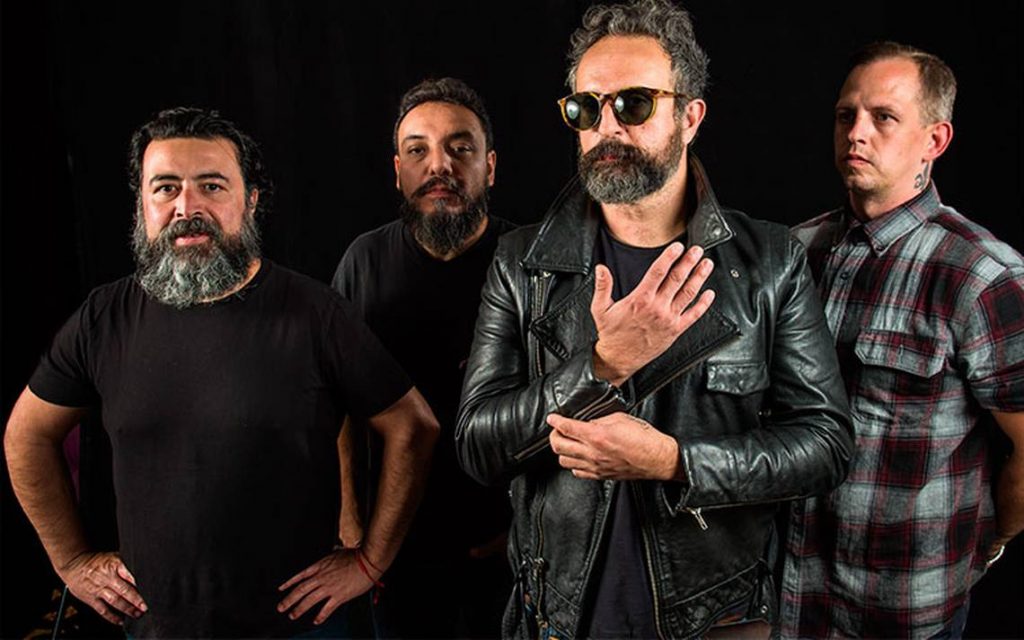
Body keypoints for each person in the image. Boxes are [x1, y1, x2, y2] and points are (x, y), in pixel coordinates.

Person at [454, 0, 855, 638]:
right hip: (558, 619)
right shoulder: (522, 264)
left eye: (634, 104)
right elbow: (478, 446)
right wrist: (602, 365)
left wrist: (675, 461)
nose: (606, 126)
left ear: (689, 117)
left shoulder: (769, 262)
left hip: (718, 618)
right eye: (585, 108)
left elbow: (826, 446)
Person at [3, 107, 439, 638]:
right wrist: (71, 561)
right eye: (166, 188)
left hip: (299, 628)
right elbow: (25, 436)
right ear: (142, 205)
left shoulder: (315, 314)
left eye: (211, 186)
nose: (187, 207)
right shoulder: (103, 318)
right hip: (155, 629)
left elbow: (413, 426)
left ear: (250, 200)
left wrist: (369, 562)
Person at [783, 42, 1024, 639]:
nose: (856, 133)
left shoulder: (983, 275)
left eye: (883, 117)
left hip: (901, 610)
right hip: (788, 600)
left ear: (934, 140)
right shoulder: (792, 253)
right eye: (846, 115)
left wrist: (989, 537)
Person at [332, 78, 514, 638]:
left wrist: (532, 524)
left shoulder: (527, 262)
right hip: (395, 546)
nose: (440, 166)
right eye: (418, 150)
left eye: (460, 148)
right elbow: (337, 404)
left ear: (489, 167)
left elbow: (568, 403)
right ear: (397, 170)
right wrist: (350, 520)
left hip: (507, 548)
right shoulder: (364, 262)